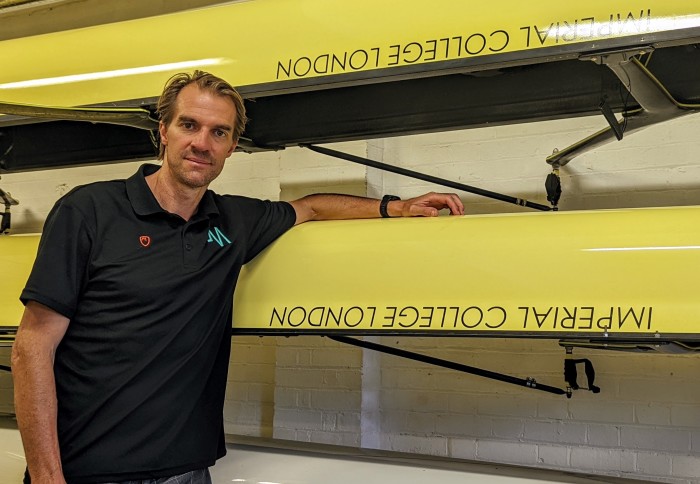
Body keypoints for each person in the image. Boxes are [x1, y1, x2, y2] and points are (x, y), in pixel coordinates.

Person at [11, 70, 464, 484]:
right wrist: (48, 478)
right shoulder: (89, 211)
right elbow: (31, 348)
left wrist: (396, 207)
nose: (202, 143)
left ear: (231, 147)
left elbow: (310, 207)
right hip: (88, 471)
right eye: (189, 125)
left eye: (219, 132)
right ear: (163, 131)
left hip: (186, 472)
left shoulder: (232, 222)